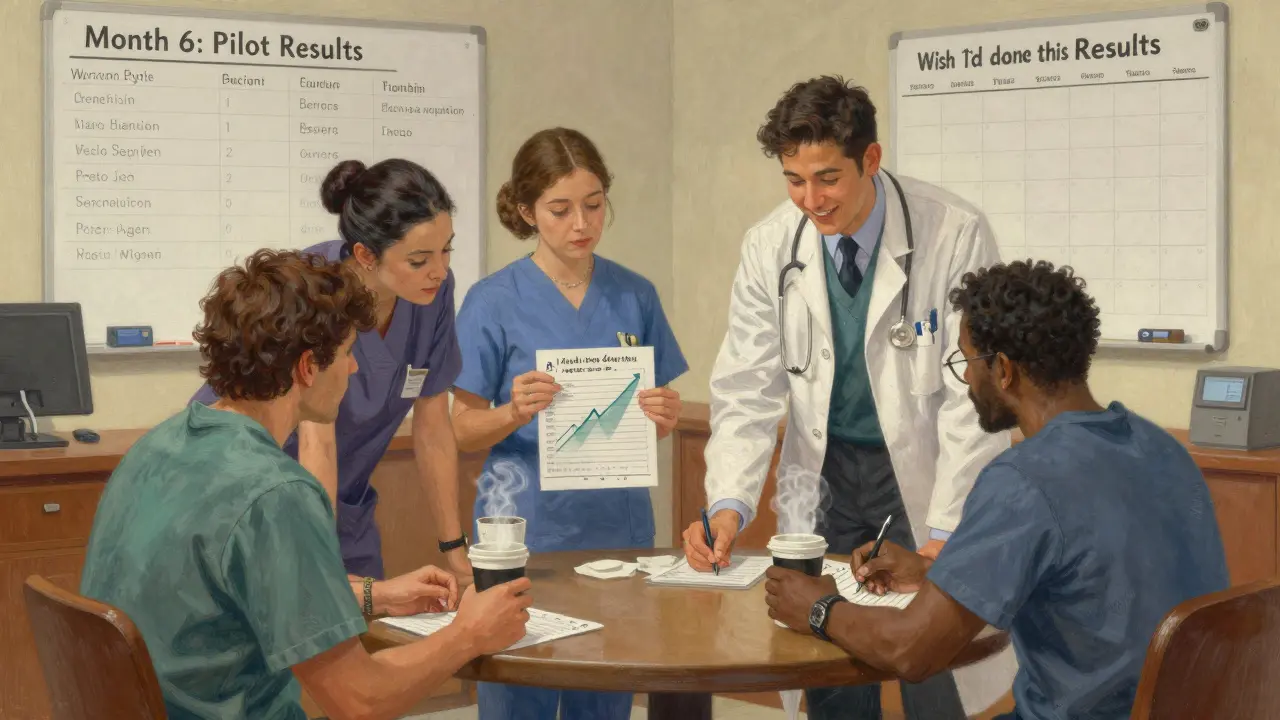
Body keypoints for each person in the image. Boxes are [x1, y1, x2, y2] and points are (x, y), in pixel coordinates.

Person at [762, 260, 1231, 720]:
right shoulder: (1160, 447)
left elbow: (911, 652)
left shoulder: (1025, 479)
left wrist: (820, 608)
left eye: (966, 360)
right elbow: (1091, 575)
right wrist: (934, 573)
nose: (966, 377)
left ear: (1002, 369)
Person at [680, 75, 1015, 717]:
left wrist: (945, 532)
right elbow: (747, 386)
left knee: (932, 661)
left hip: (921, 474)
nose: (811, 199)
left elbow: (971, 397)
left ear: (871, 159)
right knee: (826, 654)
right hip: (825, 474)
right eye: (794, 179)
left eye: (828, 178)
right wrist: (727, 506)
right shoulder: (770, 245)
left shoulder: (954, 234)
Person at [81, 249, 533, 720]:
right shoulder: (276, 494)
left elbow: (216, 599)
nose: (355, 370)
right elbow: (361, 700)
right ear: (306, 368)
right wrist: (467, 635)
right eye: (348, 354)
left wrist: (370, 596)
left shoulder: (157, 447)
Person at [450, 127, 688, 720]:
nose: (581, 223)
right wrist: (513, 411)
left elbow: (653, 421)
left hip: (616, 530)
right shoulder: (492, 300)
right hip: (526, 534)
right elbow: (460, 430)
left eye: (594, 204)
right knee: (518, 693)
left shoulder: (635, 295)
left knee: (602, 693)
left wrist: (664, 417)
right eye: (560, 210)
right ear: (528, 210)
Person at [191, 158, 474, 609]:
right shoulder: (315, 290)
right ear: (364, 255)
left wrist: (454, 551)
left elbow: (433, 424)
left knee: (361, 638)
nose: (439, 271)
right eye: (420, 259)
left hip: (345, 500)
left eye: (447, 251)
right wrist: (324, 574)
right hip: (261, 488)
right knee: (306, 628)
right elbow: (315, 433)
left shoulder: (432, 293)